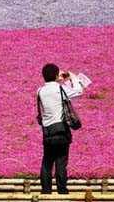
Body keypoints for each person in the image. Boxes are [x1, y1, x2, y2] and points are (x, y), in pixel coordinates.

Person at [37, 63, 87, 194]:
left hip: (47, 131)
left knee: (47, 161)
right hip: (61, 130)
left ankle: (46, 190)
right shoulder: (60, 89)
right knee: (61, 161)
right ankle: (62, 190)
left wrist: (59, 80)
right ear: (55, 75)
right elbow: (78, 91)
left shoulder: (40, 91)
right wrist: (72, 77)